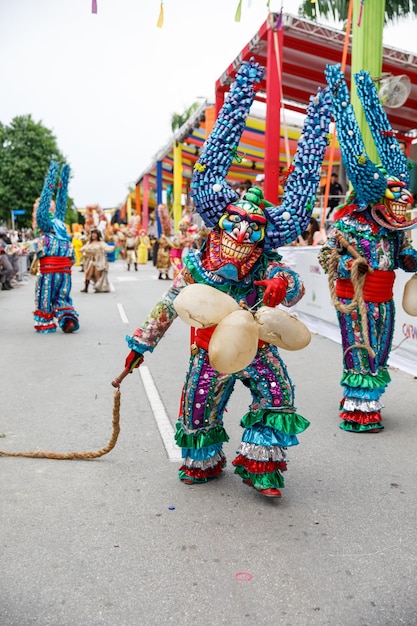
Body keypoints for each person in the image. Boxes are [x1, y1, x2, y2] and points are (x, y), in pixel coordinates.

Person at [120, 59, 332, 498]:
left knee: (278, 396)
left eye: (252, 227)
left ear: (262, 233)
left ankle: (262, 467)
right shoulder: (199, 261)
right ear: (220, 223)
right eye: (235, 222)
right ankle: (204, 461)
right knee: (198, 412)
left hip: (254, 344)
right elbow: (171, 302)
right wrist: (141, 345)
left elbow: (291, 283)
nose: (241, 232)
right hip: (207, 352)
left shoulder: (263, 260)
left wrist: (282, 286)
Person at [318, 63, 417, 433]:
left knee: (381, 352)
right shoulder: (349, 223)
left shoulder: (394, 231)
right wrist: (348, 268)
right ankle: (360, 410)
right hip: (356, 299)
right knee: (360, 350)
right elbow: (328, 257)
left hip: (384, 300)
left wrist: (415, 261)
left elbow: (404, 258)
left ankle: (362, 397)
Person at [33, 161, 79, 333]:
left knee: (45, 297)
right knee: (63, 296)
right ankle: (67, 319)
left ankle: (45, 323)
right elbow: (73, 258)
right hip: (65, 273)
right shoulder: (65, 239)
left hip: (49, 273)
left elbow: (34, 251)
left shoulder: (45, 238)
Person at [80, 229, 113, 293]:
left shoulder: (101, 243)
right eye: (92, 233)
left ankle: (98, 287)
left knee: (97, 275)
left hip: (99, 261)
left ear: (98, 235)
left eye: (95, 234)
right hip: (92, 260)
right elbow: (85, 248)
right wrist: (82, 250)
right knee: (88, 273)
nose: (93, 235)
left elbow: (107, 248)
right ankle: (86, 288)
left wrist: (114, 247)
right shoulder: (89, 243)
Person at [398, 139, 417, 205]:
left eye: (402, 149)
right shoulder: (394, 163)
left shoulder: (410, 163)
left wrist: (409, 198)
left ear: (405, 149)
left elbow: (413, 182)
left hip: (407, 198)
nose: (400, 151)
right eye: (398, 149)